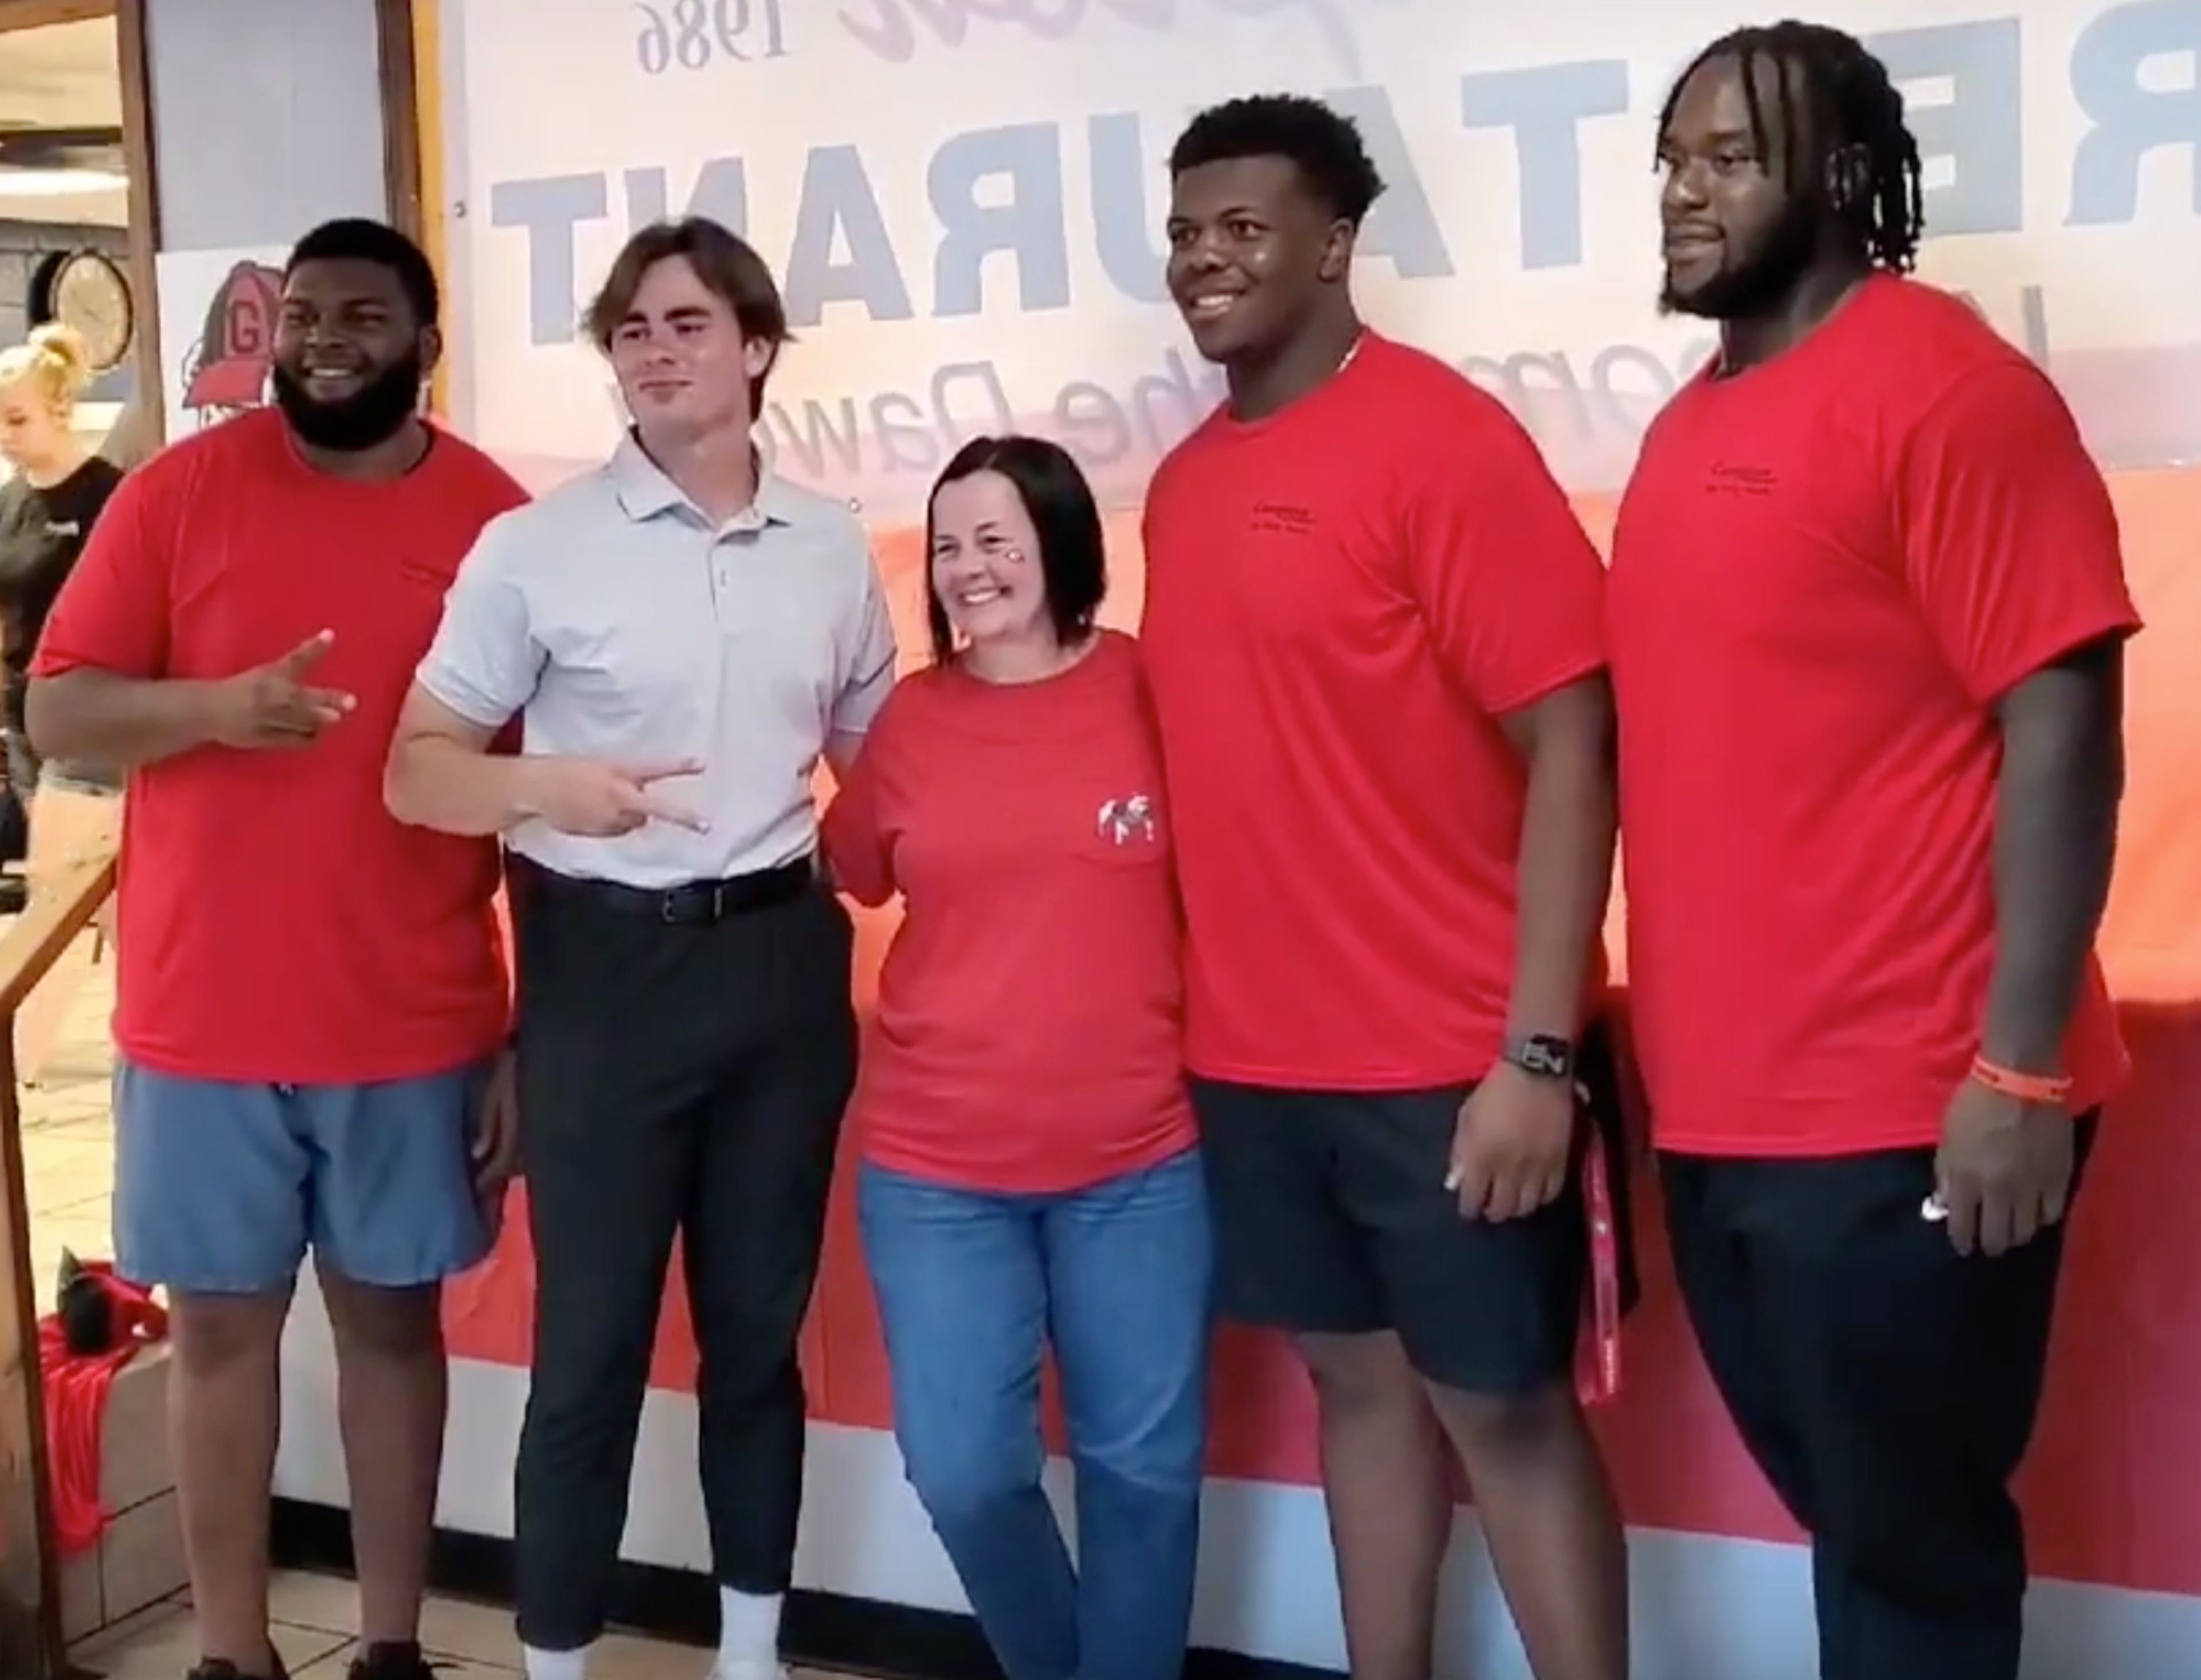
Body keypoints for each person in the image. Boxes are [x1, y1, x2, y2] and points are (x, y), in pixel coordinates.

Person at [1610, 25, 2140, 1680]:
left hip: (1910, 1097)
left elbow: (2065, 722)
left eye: (1728, 159)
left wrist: (2019, 1069)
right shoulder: (1686, 427)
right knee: (1856, 1521)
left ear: (1843, 180)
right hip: (1724, 1109)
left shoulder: (1947, 390)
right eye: (1673, 160)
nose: (1684, 193)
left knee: (1913, 1561)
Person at [1138, 95, 1631, 1680]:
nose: (1203, 258)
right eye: (1184, 230)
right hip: (1257, 1062)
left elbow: (1576, 738)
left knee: (1505, 1409)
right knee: (1358, 1390)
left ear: (1336, 245)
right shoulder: (1182, 483)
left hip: (1450, 1064)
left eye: (1243, 227)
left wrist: (1536, 1050)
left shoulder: (1441, 442)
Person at [383, 216, 896, 1680]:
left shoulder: (828, 544)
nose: (656, 352)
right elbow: (415, 771)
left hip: (780, 967)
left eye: (688, 324)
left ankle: (752, 1655)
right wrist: (550, 786)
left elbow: (882, 765)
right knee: (591, 1347)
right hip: (604, 976)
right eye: (631, 330)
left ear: (756, 347)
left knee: (758, 1337)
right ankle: (556, 1660)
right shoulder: (535, 547)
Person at [24, 218, 528, 1680]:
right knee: (219, 1339)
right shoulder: (179, 492)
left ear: (424, 341)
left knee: (393, 1333)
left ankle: (390, 1645)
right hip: (203, 1025)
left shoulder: (499, 522)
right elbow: (58, 708)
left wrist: (533, 1033)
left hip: (414, 1021)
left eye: (362, 315)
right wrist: (216, 710)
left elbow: (548, 794)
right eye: (302, 313)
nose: (322, 339)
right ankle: (233, 1654)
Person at [822, 436, 1209, 1680]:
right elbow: (850, 866)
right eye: (947, 546)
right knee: (963, 1469)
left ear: (1063, 543)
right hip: (939, 1167)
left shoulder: (1152, 690)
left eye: (996, 539)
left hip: (1141, 1160)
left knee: (1144, 1470)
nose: (967, 567)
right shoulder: (913, 720)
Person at [0, 323, 124, 809]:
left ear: (61, 410)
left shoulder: (113, 496)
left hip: (90, 720)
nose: (4, 436)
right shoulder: (7, 503)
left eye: (16, 420)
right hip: (23, 722)